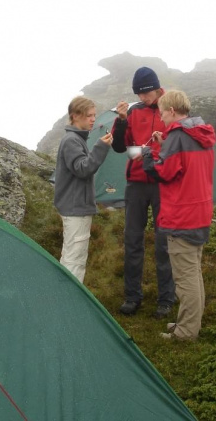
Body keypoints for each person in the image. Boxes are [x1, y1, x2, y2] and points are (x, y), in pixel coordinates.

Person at [141, 90, 215, 340]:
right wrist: (166, 146)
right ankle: (190, 323)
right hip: (200, 213)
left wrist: (148, 156)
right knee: (193, 272)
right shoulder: (201, 133)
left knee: (185, 278)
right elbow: (186, 166)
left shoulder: (177, 136)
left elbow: (165, 172)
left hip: (182, 216)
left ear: (172, 111)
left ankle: (185, 332)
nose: (161, 118)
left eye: (162, 112)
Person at [111, 66, 175, 318]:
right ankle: (132, 296)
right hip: (136, 183)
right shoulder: (134, 112)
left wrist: (150, 153)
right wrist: (122, 120)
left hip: (162, 183)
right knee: (133, 240)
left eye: (146, 94)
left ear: (158, 89)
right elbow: (120, 147)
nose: (142, 99)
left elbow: (178, 144)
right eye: (138, 95)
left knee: (163, 243)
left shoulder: (170, 108)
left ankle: (166, 298)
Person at [54, 96, 113, 283]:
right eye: (89, 116)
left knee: (71, 255)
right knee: (75, 260)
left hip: (77, 207)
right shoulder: (72, 140)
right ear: (75, 116)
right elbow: (83, 168)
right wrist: (101, 147)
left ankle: (64, 297)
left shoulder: (76, 139)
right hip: (75, 208)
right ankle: (69, 303)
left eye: (94, 115)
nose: (93, 119)